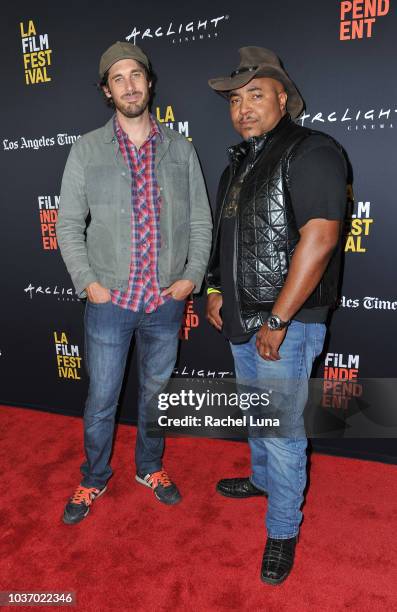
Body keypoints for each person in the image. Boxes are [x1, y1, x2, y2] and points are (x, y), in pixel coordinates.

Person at [206, 47, 346, 584]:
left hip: (285, 324)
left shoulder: (311, 150)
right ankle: (263, 482)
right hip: (244, 319)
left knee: (283, 431)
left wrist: (280, 320)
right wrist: (216, 290)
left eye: (255, 95)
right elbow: (226, 242)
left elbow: (320, 239)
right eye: (235, 99)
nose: (242, 107)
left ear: (282, 97)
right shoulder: (237, 166)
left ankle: (283, 528)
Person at [56, 41, 212, 524]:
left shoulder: (180, 149)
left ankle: (149, 467)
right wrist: (88, 283)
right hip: (109, 302)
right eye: (118, 78)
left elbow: (202, 222)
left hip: (165, 301)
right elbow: (67, 225)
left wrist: (191, 277)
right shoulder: (86, 149)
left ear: (149, 82)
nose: (130, 85)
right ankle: (94, 476)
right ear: (107, 91)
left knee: (156, 395)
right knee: (102, 398)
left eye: (136, 75)